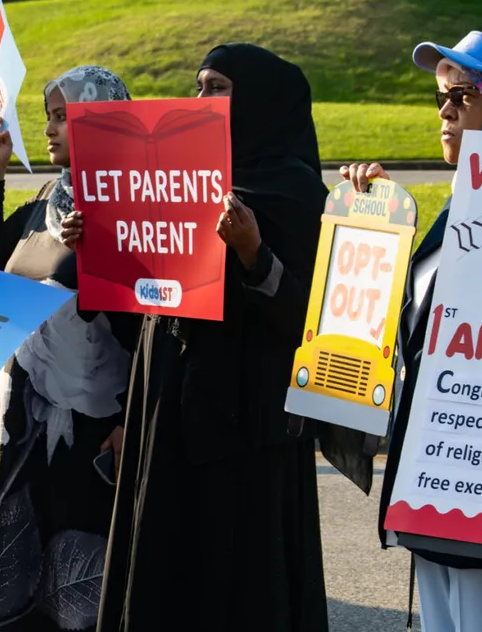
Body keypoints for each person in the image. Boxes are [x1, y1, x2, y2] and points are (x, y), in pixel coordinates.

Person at [60, 44, 329, 631]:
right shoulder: (170, 183)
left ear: (259, 100)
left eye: (217, 87)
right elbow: (142, 309)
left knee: (239, 588)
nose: (201, 99)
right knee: (166, 578)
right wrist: (96, 246)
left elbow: (308, 319)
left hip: (245, 427)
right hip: (170, 410)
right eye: (199, 86)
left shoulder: (295, 191)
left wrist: (255, 254)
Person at [0, 67, 138, 632]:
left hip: (88, 424)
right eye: (48, 116)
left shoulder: (132, 206)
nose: (49, 129)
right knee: (12, 573)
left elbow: (144, 320)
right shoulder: (50, 196)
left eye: (64, 117)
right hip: (20, 418)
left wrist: (129, 420)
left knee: (75, 580)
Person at [356, 31, 482, 632]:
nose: (443, 111)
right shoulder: (456, 206)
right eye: (440, 96)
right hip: (437, 477)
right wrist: (374, 226)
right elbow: (415, 328)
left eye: (462, 96)